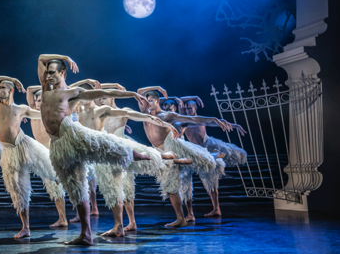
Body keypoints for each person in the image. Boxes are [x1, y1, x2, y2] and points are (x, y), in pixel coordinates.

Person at [37, 54, 164, 245]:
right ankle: (86, 235)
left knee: (107, 145)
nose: (48, 76)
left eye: (53, 73)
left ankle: (144, 155)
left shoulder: (71, 93)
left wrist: (131, 94)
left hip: (73, 135)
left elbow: (100, 94)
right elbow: (41, 57)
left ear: (63, 72)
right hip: (58, 145)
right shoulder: (45, 88)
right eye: (47, 73)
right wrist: (64, 57)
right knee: (77, 190)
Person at [72, 80, 177, 237]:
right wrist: (86, 81)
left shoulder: (102, 110)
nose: (81, 99)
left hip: (109, 149)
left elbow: (132, 114)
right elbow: (68, 89)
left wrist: (159, 121)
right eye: (80, 96)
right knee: (115, 188)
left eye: (85, 96)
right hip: (97, 154)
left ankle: (119, 225)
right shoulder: (79, 108)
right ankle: (123, 224)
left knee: (118, 185)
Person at [136, 86, 235, 227]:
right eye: (145, 101)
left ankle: (181, 219)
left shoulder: (166, 116)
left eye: (150, 100)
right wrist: (157, 87)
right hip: (161, 152)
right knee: (173, 183)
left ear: (157, 101)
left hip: (171, 148)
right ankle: (211, 156)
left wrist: (214, 119)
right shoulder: (145, 113)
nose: (147, 103)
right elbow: (139, 91)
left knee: (173, 185)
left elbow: (193, 119)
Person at [0, 76, 61, 238]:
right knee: (17, 188)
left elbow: (41, 114)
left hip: (24, 144)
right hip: (8, 152)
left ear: (11, 91)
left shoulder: (20, 109)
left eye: (3, 87)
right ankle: (26, 227)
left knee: (47, 165)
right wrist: (14, 79)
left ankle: (59, 177)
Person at [180, 96, 247, 218]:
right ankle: (190, 213)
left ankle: (217, 209)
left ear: (195, 108)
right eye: (186, 108)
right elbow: (179, 99)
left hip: (207, 146)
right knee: (187, 178)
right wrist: (195, 97)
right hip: (195, 151)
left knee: (212, 178)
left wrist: (236, 126)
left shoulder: (202, 120)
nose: (188, 110)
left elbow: (218, 122)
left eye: (190, 108)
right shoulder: (184, 119)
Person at [26, 86, 68, 228]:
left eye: (40, 100)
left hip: (52, 151)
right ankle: (62, 218)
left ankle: (64, 218)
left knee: (57, 185)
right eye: (36, 100)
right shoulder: (32, 111)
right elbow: (29, 89)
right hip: (41, 153)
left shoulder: (48, 113)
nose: (37, 103)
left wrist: (48, 90)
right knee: (53, 187)